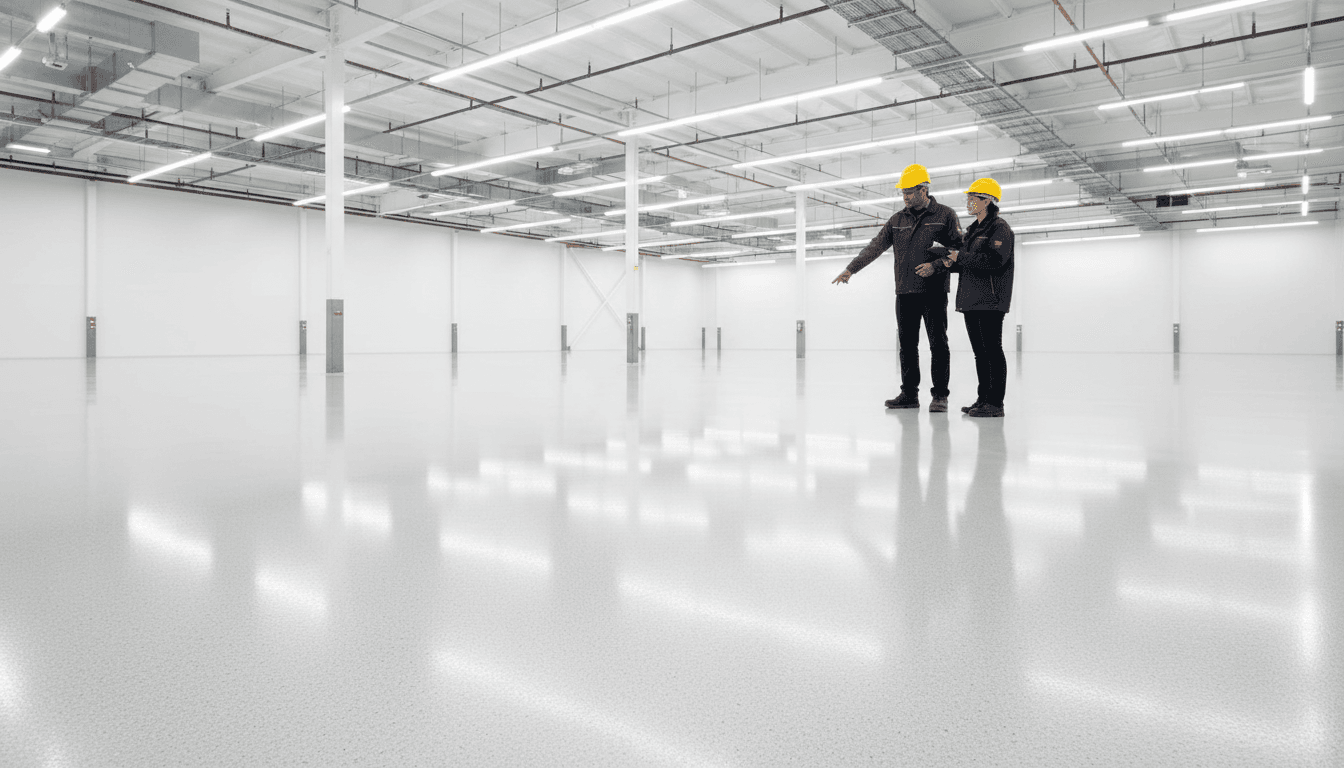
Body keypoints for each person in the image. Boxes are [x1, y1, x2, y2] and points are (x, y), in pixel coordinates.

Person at [832, 164, 964, 412]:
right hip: (904, 292)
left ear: (924, 190)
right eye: (902, 193)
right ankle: (909, 394)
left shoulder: (945, 215)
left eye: (909, 192)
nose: (904, 197)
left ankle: (940, 396)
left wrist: (935, 265)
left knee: (938, 344)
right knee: (907, 345)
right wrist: (851, 268)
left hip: (933, 291)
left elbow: (959, 251)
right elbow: (875, 246)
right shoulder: (897, 220)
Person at [929, 178, 1015, 418]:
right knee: (980, 353)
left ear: (987, 200)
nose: (968, 202)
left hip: (991, 300)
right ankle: (983, 399)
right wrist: (945, 258)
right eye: (968, 198)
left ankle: (996, 403)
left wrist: (959, 257)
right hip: (970, 299)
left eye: (972, 198)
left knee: (992, 351)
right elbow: (965, 264)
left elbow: (995, 262)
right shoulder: (972, 231)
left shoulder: (1000, 228)